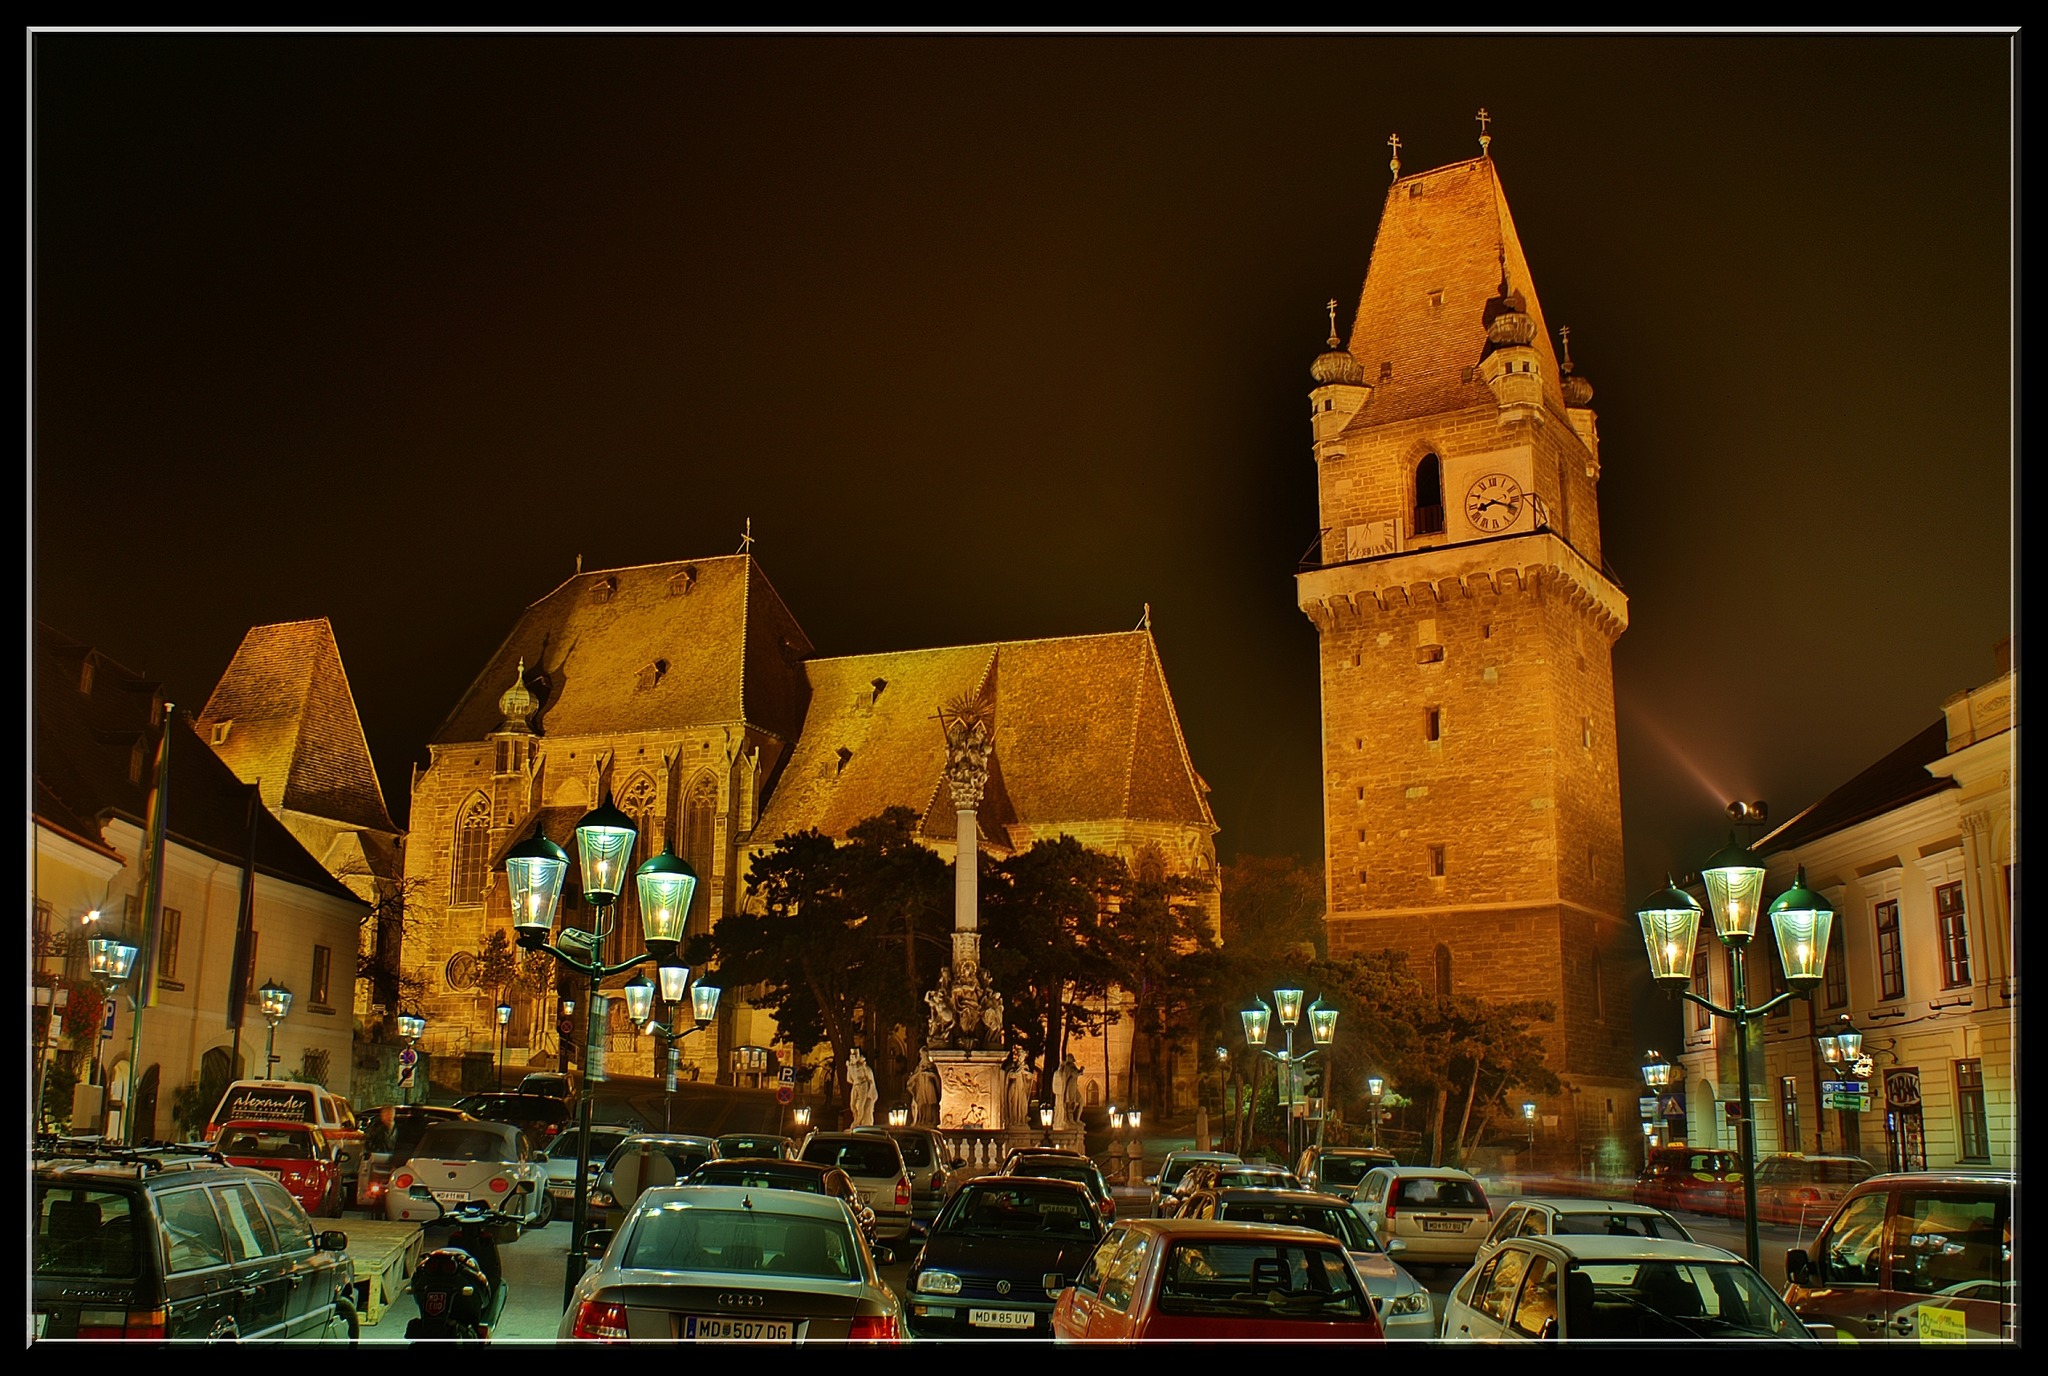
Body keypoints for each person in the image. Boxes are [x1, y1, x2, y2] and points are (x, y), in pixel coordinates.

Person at [909, 1050, 941, 1126]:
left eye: (924, 1055)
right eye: (921, 1055)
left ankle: (931, 1120)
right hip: (921, 1087)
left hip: (930, 1087)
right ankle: (921, 1119)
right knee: (921, 1104)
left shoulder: (932, 1066)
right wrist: (919, 1073)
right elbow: (912, 1079)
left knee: (931, 1103)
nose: (922, 1057)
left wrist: (929, 1073)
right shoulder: (919, 1067)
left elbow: (936, 1077)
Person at [847, 1049, 878, 1128]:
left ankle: (857, 1122)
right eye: (851, 1057)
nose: (852, 1058)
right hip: (855, 1086)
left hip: (863, 1086)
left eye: (854, 1056)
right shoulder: (851, 1068)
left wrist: (870, 1089)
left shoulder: (864, 1068)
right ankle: (856, 1119)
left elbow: (871, 1080)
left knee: (861, 1105)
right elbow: (849, 1079)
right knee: (852, 1104)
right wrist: (849, 1070)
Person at [1004, 1053, 1034, 1129]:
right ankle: (1014, 1121)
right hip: (1014, 1089)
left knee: (1023, 1105)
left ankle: (1022, 1120)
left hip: (1022, 1089)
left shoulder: (1026, 1068)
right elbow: (1010, 1075)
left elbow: (1030, 1077)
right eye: (1020, 1057)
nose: (1021, 1058)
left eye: (1022, 1057)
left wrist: (1025, 1073)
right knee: (1014, 1104)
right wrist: (1018, 1072)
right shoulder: (1013, 1067)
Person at [1056, 1054, 1083, 1131]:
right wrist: (1081, 1070)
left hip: (1074, 1086)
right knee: (1070, 1102)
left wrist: (1080, 1071)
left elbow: (1076, 1073)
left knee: (1081, 1101)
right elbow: (1074, 1074)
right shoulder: (1068, 1067)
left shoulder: (1072, 1066)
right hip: (1070, 1087)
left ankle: (1077, 1119)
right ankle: (1070, 1120)